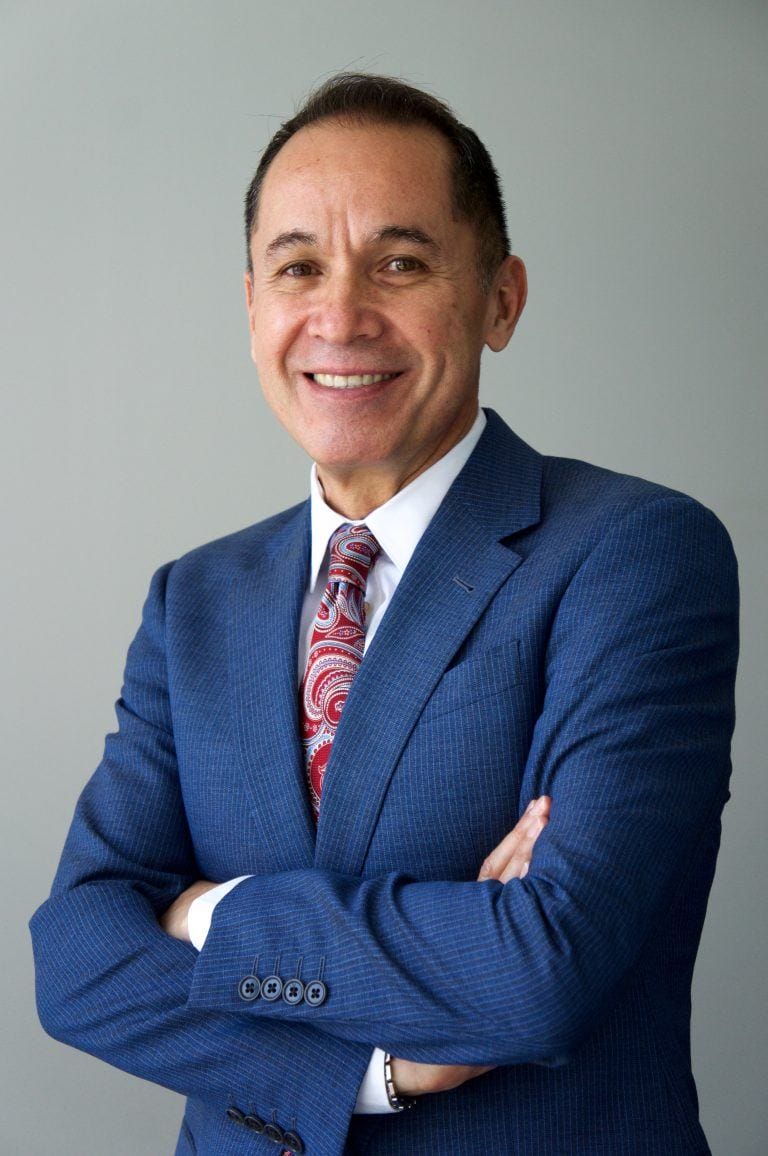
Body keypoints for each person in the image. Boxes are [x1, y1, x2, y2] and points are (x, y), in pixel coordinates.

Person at [30, 73, 739, 1156]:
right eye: (299, 266)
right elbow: (75, 958)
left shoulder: (633, 554)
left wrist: (206, 913)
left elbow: (540, 968)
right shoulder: (196, 600)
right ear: (254, 305)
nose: (340, 314)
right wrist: (374, 1075)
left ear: (501, 298)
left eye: (400, 263)